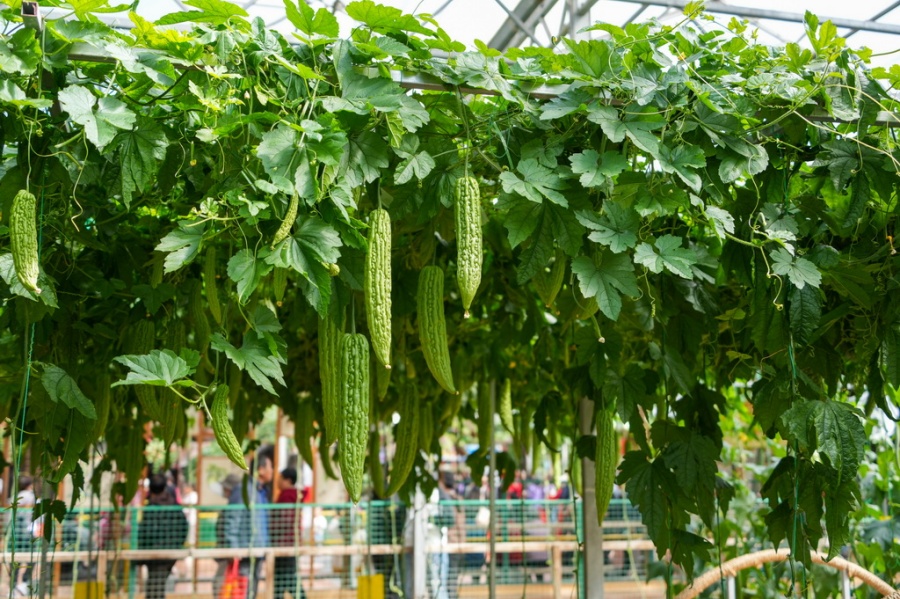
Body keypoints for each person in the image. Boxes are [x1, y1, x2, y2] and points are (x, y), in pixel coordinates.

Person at [216, 445, 274, 599]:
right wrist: (234, 548)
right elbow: (232, 519)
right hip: (244, 552)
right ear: (261, 470)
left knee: (251, 591)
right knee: (241, 590)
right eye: (270, 467)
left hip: (257, 551)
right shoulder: (243, 489)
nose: (272, 471)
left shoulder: (261, 491)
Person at [137, 474, 189, 599]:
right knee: (157, 586)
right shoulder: (174, 505)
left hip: (155, 555)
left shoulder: (151, 508)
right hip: (171, 553)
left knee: (154, 588)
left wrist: (142, 552)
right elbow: (184, 527)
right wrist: (177, 545)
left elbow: (146, 532)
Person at [271, 467, 304, 599]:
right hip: (289, 543)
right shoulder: (293, 496)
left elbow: (285, 520)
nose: (277, 482)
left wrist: (270, 525)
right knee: (283, 578)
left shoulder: (287, 496)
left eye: (280, 479)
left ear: (288, 480)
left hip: (284, 544)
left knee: (287, 578)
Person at [12, 475, 36, 597]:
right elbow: (31, 509)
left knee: (17, 557)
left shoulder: (17, 495)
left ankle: (17, 584)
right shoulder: (29, 495)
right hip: (26, 530)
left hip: (16, 530)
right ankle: (23, 583)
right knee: (28, 557)